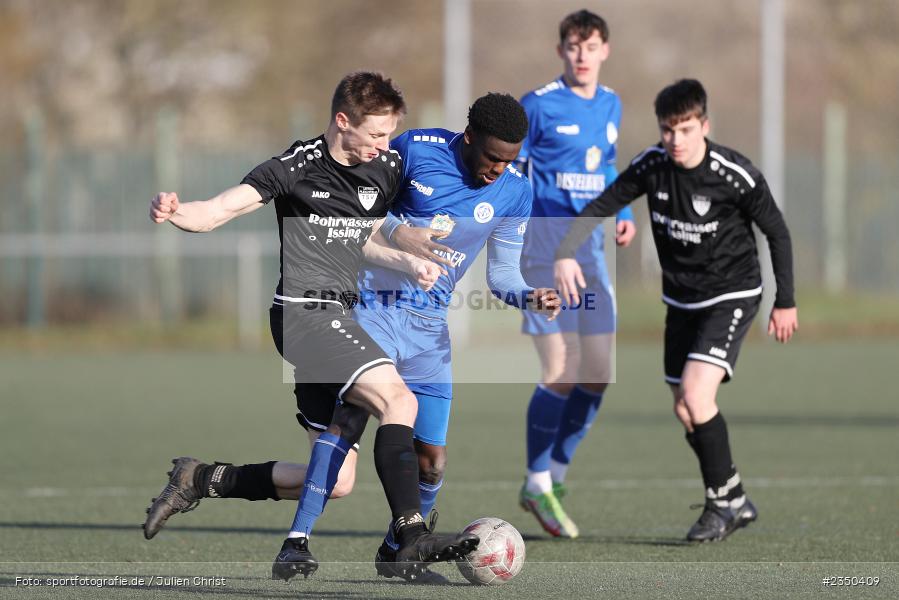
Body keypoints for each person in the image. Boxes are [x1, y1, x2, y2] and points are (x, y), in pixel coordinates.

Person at [142, 92, 560, 584]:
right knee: (366, 413)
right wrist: (177, 211)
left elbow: (496, 272)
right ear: (469, 138)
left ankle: (210, 480)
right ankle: (349, 540)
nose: (497, 169)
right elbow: (352, 215)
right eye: (491, 157)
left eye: (508, 160)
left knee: (410, 466)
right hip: (361, 311)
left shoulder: (511, 190)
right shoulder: (407, 153)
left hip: (427, 330)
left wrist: (529, 296)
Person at [554, 78, 799, 542]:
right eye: (668, 130)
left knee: (696, 393)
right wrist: (566, 249)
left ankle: (721, 506)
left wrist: (783, 300)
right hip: (681, 301)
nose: (675, 140)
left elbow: (777, 231)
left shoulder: (734, 174)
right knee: (685, 409)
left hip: (732, 294)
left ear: (703, 125)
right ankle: (734, 498)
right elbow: (606, 201)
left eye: (685, 129)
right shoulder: (652, 165)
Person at [515, 8, 636, 538]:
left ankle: (552, 478)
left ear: (605, 50)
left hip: (588, 253)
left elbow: (606, 164)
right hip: (544, 251)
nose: (582, 55)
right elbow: (509, 175)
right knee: (561, 371)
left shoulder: (612, 103)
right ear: (561, 51)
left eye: (591, 46)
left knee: (598, 372)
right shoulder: (537, 106)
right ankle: (537, 478)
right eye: (573, 46)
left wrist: (625, 213)